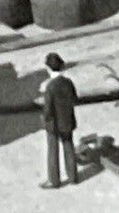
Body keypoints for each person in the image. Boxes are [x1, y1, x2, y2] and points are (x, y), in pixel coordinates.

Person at [40, 53, 79, 189]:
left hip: (54, 124)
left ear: (48, 69)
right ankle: (73, 176)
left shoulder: (50, 86)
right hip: (67, 121)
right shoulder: (68, 82)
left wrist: (45, 119)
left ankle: (54, 180)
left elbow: (47, 110)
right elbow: (75, 99)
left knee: (53, 150)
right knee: (69, 147)